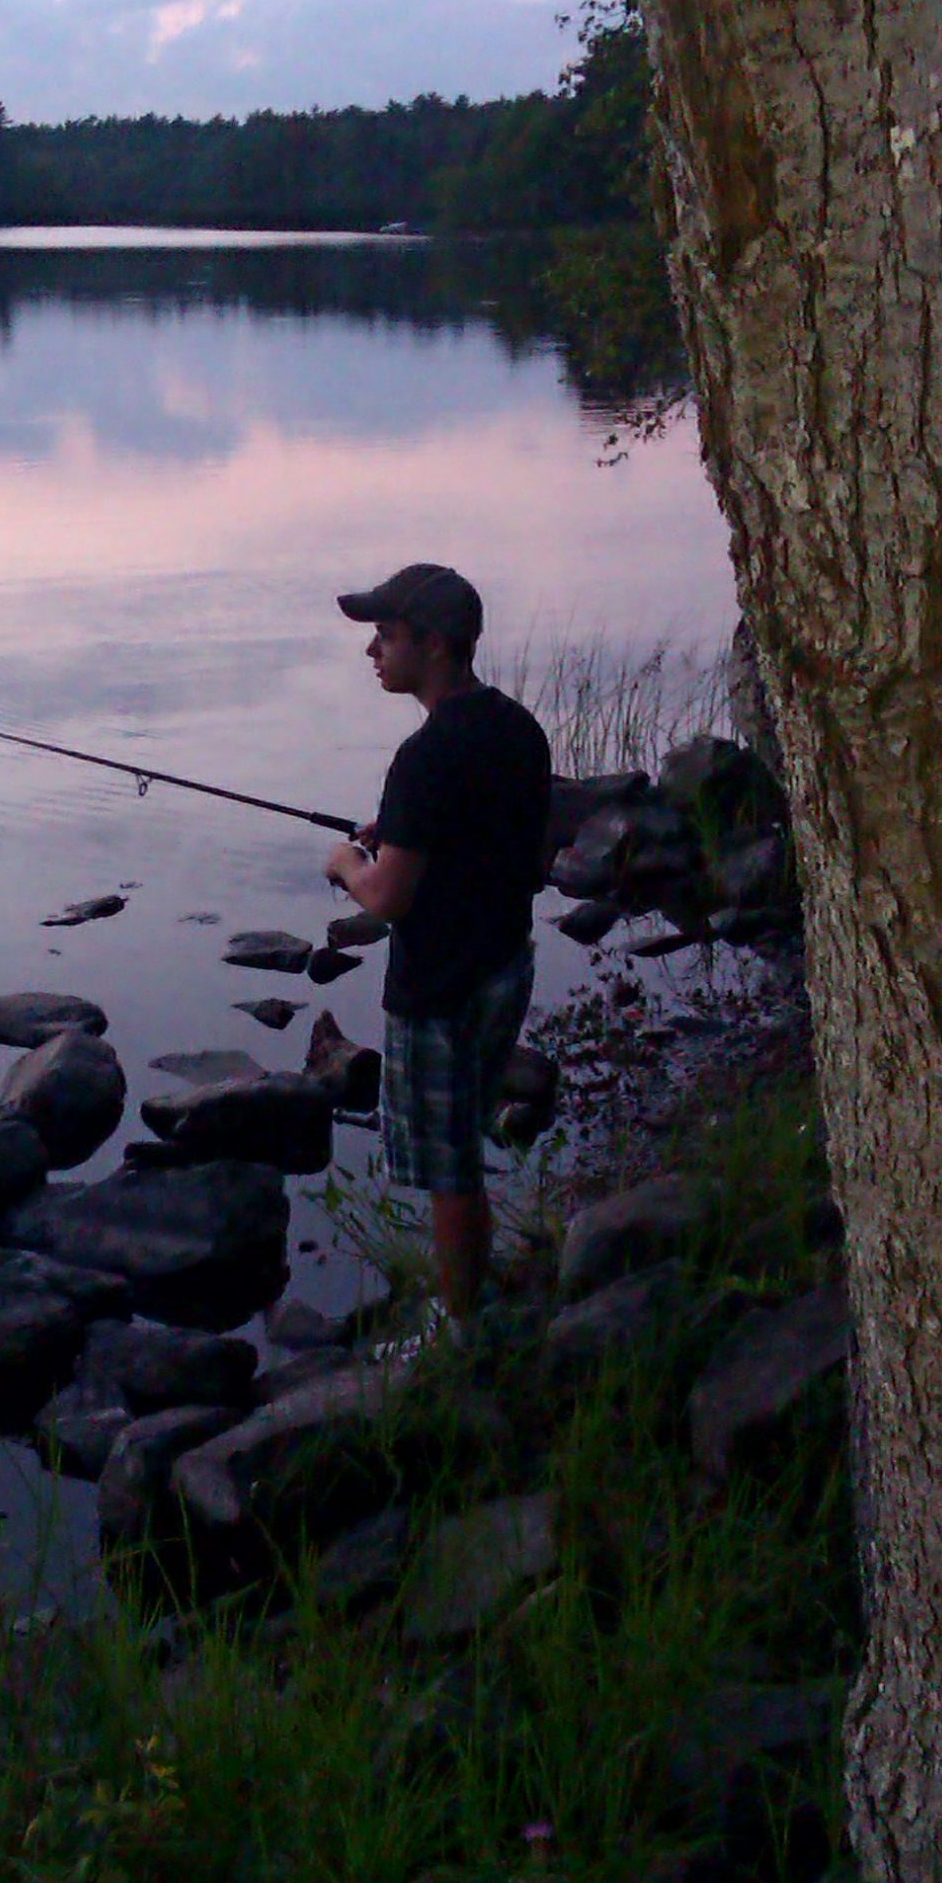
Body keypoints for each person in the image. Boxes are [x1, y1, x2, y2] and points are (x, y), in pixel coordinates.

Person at [325, 564, 552, 1332]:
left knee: (449, 1173)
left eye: (384, 636)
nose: (373, 652)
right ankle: (475, 1296)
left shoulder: (422, 758)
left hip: (441, 988)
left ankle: (460, 1329)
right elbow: (499, 839)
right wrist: (400, 837)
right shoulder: (515, 726)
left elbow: (387, 899)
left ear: (432, 644)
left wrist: (348, 864)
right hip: (503, 965)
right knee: (464, 1146)